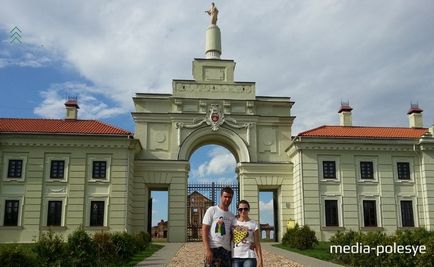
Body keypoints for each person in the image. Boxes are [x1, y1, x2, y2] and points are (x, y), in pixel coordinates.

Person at [202, 186, 235, 267]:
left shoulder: (232, 216)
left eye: (230, 197)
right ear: (221, 197)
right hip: (213, 248)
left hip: (226, 251)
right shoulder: (212, 210)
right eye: (225, 196)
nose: (227, 199)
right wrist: (207, 249)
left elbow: (233, 234)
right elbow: (204, 230)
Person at [232, 200, 263, 267]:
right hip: (235, 257)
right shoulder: (233, 222)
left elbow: (257, 243)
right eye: (240, 209)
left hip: (250, 257)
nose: (243, 211)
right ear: (238, 210)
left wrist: (260, 260)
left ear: (248, 209)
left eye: (245, 209)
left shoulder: (253, 224)